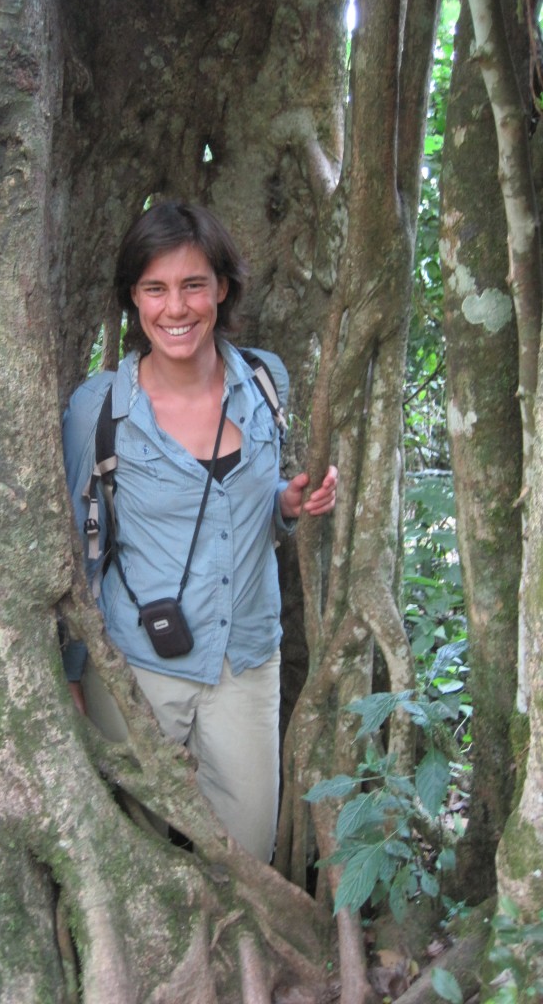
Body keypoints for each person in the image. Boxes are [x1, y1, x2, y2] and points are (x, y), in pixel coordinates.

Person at [62, 201, 337, 862]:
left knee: (249, 851)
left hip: (245, 656)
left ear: (221, 287)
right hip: (137, 664)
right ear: (133, 299)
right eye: (155, 288)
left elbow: (244, 509)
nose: (176, 308)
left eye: (192, 285)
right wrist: (72, 675)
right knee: (133, 852)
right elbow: (78, 551)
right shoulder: (97, 409)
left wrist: (286, 505)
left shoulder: (266, 381)